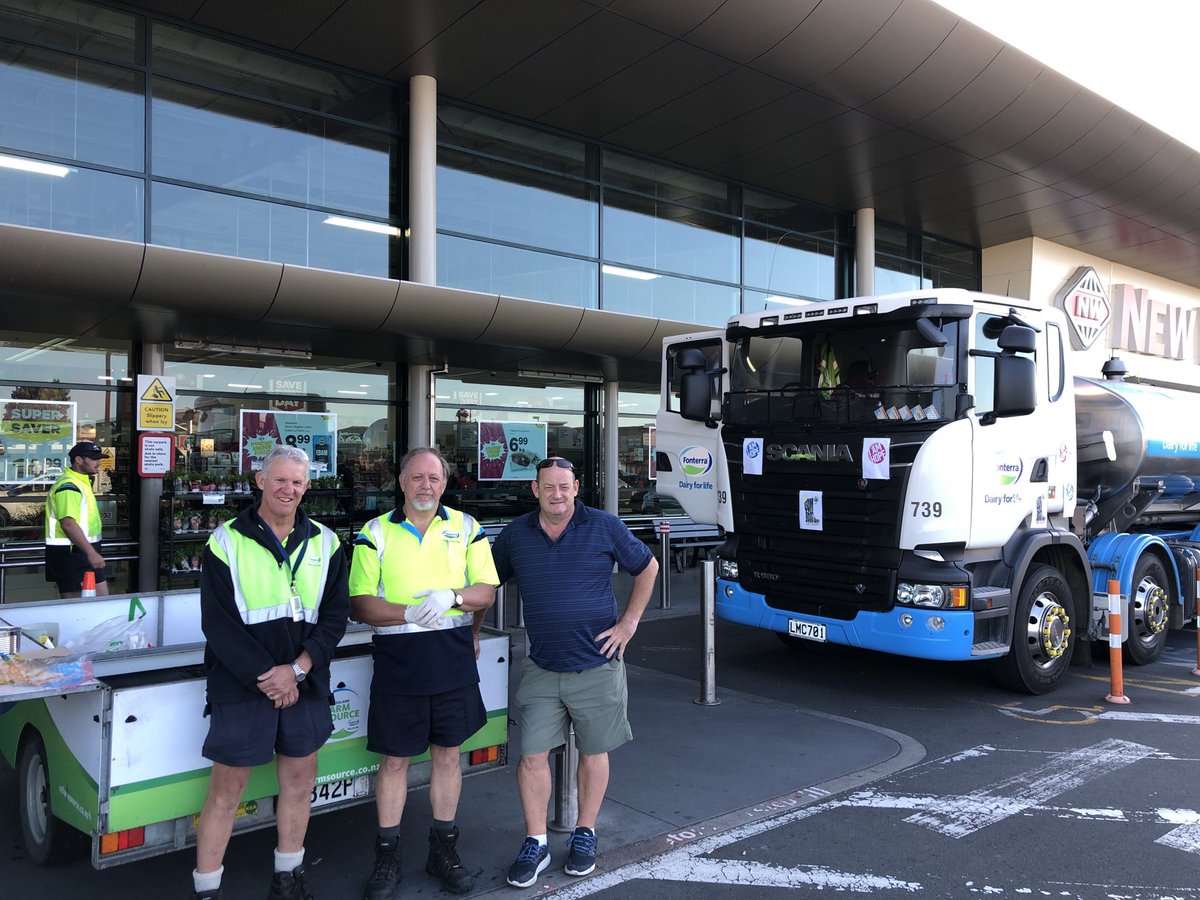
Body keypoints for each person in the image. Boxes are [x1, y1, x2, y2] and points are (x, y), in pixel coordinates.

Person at [492, 457, 659, 888]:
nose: (557, 494)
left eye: (564, 486)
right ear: (535, 489)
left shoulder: (604, 526)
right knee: (531, 756)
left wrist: (629, 624)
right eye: (549, 487)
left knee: (594, 752)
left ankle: (585, 832)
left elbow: (648, 567)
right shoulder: (515, 536)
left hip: (598, 665)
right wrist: (473, 631)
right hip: (542, 667)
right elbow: (485, 583)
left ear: (577, 487)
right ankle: (536, 842)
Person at [192, 446, 349, 900]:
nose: (289, 489)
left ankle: (288, 879)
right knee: (226, 792)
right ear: (260, 481)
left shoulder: (326, 541)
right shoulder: (225, 540)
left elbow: (335, 617)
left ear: (307, 487)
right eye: (280, 480)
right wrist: (270, 675)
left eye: (297, 482)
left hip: (305, 681)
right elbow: (217, 623)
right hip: (244, 686)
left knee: (299, 786)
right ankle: (205, 890)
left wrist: (298, 670)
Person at [348, 447, 499, 898]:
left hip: (451, 661)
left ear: (444, 483)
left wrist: (452, 596)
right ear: (401, 481)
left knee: (448, 756)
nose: (425, 486)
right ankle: (388, 856)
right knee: (394, 761)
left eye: (434, 478)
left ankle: (443, 851)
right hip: (399, 665)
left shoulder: (467, 527)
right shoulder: (374, 532)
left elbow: (486, 591)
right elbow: (360, 603)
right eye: (417, 478)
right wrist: (410, 609)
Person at [44, 441, 110, 598]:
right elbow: (68, 524)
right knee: (75, 611)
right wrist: (91, 553)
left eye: (99, 458)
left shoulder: (81, 483)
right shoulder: (68, 486)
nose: (98, 463)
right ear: (79, 460)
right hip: (71, 555)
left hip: (84, 552)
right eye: (93, 458)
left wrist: (91, 552)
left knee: (103, 604)